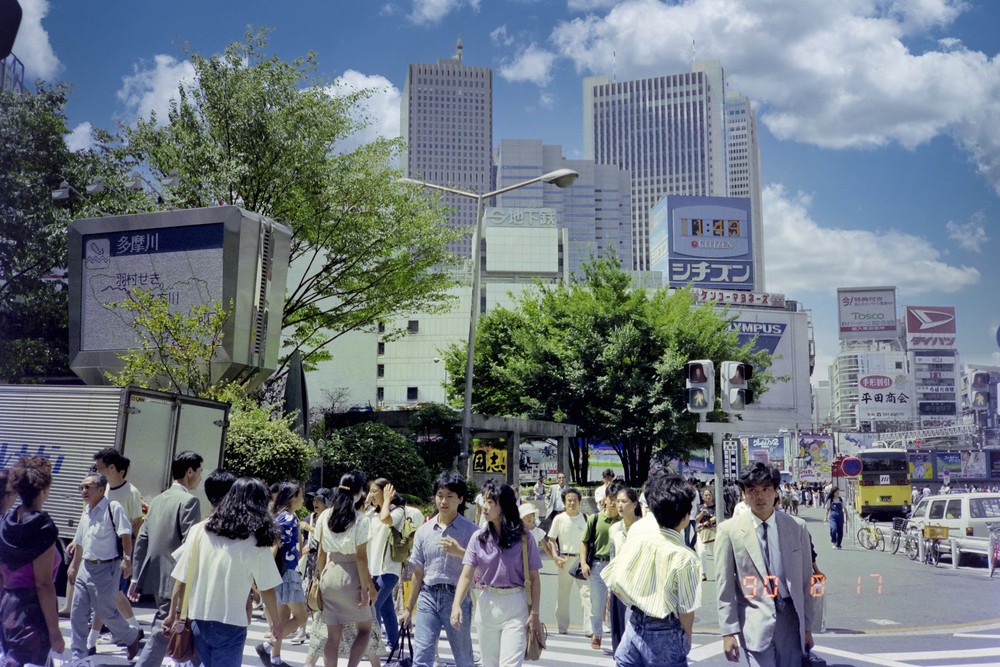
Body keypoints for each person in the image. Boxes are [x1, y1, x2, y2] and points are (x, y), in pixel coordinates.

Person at [166, 477, 284, 667]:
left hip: (198, 619)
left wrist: (174, 613)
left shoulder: (198, 530)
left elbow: (182, 578)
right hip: (231, 622)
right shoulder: (256, 541)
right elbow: (267, 587)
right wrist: (276, 623)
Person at [716, 462, 815, 667]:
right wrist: (728, 632)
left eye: (766, 489)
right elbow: (724, 585)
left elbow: (806, 581)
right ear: (743, 494)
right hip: (754, 616)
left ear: (776, 492)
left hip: (791, 616)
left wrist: (807, 627)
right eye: (752, 490)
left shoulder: (797, 527)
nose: (759, 496)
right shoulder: (729, 530)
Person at [600, 473, 700, 667]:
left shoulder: (638, 534)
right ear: (686, 515)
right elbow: (686, 608)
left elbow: (615, 577)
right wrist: (686, 638)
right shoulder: (685, 557)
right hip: (665, 628)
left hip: (634, 623)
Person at [452, 480, 543, 667]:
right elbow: (466, 574)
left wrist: (534, 613)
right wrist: (456, 605)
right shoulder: (478, 537)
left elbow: (534, 578)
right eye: (484, 501)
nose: (485, 507)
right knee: (490, 664)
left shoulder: (524, 537)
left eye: (491, 502)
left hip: (516, 605)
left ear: (504, 506)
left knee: (510, 664)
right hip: (487, 603)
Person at [128, 450, 204, 667]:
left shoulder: (159, 499)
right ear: (190, 472)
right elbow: (190, 545)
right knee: (165, 629)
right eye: (199, 471)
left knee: (165, 625)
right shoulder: (190, 502)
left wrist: (136, 577)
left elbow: (142, 537)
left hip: (156, 575)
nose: (200, 476)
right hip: (176, 579)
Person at [400, 471, 477, 667]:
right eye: (440, 495)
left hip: (456, 597)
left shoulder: (472, 531)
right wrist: (408, 609)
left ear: (460, 499)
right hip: (428, 596)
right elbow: (418, 572)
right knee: (421, 657)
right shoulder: (424, 531)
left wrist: (460, 551)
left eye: (450, 496)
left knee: (463, 657)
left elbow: (481, 568)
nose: (444, 501)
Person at [67, 472, 143, 660]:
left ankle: (131, 636)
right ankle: (79, 656)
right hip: (86, 567)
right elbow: (79, 543)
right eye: (81, 487)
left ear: (101, 489)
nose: (83, 491)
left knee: (105, 612)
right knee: (78, 612)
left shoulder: (113, 508)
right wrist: (74, 567)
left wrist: (127, 559)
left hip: (106, 569)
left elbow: (125, 535)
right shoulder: (86, 511)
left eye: (88, 487)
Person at [0, 456, 65, 665]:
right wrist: (55, 632)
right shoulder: (42, 528)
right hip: (33, 612)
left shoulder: (6, 523)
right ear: (44, 489)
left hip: (7, 605)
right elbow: (43, 584)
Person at [314, 471, 377, 667]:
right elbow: (360, 557)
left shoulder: (325, 516)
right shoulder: (361, 519)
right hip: (351, 576)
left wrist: (318, 579)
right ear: (359, 493)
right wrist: (366, 588)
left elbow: (321, 554)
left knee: (332, 636)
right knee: (365, 628)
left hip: (329, 574)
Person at [91, 448, 144, 639]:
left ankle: (132, 629)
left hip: (121, 550)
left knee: (113, 593)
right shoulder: (101, 490)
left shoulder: (131, 492)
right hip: (101, 549)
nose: (97, 472)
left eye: (100, 468)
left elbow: (138, 524)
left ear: (112, 468)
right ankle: (124, 629)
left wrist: (134, 555)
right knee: (108, 594)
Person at [258, 482, 309, 667]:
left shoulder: (278, 516)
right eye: (300, 495)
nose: (303, 499)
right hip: (288, 572)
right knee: (301, 617)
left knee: (282, 618)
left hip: (278, 572)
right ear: (292, 498)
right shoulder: (289, 518)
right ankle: (267, 645)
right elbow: (277, 544)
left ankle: (275, 659)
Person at [364, 478, 405, 654]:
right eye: (370, 491)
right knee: (387, 609)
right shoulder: (370, 513)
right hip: (372, 569)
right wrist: (366, 503)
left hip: (389, 569)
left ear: (386, 492)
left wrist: (387, 500)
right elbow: (357, 521)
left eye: (375, 491)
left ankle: (373, 647)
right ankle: (394, 645)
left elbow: (386, 519)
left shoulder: (398, 512)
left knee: (373, 607)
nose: (371, 495)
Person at [545, 485, 592, 635]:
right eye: (568, 501)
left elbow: (590, 541)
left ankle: (588, 628)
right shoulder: (559, 519)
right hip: (564, 560)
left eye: (574, 500)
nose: (571, 503)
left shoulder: (586, 518)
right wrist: (555, 557)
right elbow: (551, 539)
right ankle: (562, 626)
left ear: (579, 502)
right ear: (564, 502)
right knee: (563, 595)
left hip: (581, 560)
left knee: (586, 594)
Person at [581, 480, 622, 649]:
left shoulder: (625, 520)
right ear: (604, 499)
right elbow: (584, 541)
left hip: (619, 566)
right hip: (598, 564)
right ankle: (597, 633)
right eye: (611, 498)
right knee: (597, 602)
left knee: (616, 604)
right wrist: (583, 563)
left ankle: (617, 636)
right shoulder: (595, 518)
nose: (613, 502)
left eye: (617, 498)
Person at [608, 485, 642, 653]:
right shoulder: (614, 529)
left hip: (640, 586)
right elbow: (612, 559)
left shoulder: (644, 528)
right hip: (620, 585)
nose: (620, 505)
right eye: (618, 501)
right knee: (620, 625)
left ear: (635, 504)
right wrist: (610, 588)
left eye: (624, 501)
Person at [695, 489, 717, 581]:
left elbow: (716, 517)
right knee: (702, 552)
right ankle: (703, 573)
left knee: (716, 553)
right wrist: (702, 513)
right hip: (702, 533)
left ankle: (721, 572)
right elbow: (696, 519)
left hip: (713, 532)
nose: (708, 497)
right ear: (703, 497)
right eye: (706, 495)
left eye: (709, 495)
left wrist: (705, 523)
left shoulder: (716, 506)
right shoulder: (699, 507)